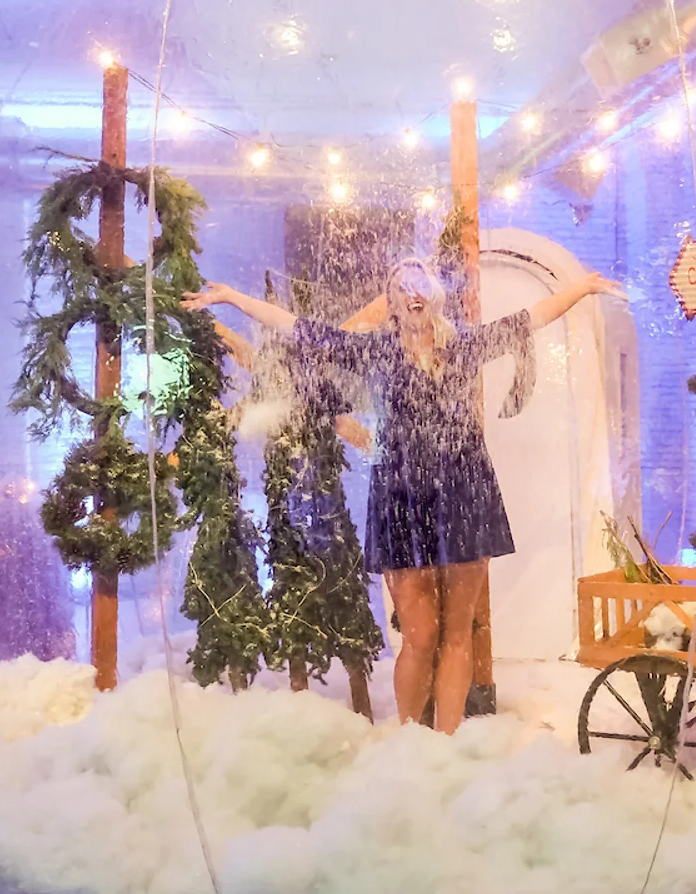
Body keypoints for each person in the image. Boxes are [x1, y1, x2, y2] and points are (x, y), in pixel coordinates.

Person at [184, 258, 621, 733]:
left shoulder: (462, 346)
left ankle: (446, 742)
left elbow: (529, 319)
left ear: (433, 295)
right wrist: (233, 298)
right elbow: (300, 329)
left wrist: (582, 287)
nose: (413, 293)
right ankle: (409, 739)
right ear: (390, 302)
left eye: (420, 285)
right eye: (402, 287)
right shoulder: (376, 351)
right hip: (400, 498)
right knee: (421, 633)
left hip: (463, 491)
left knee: (458, 631)